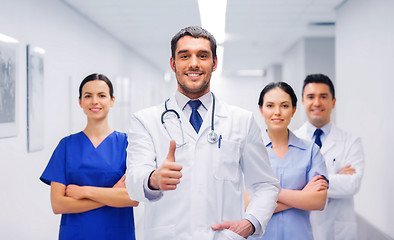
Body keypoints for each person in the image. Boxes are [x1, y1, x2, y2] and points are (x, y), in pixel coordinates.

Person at [125, 26, 280, 240]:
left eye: (203, 56)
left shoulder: (241, 121)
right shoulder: (145, 120)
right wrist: (153, 179)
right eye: (185, 56)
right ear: (173, 63)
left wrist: (250, 223)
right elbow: (133, 183)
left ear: (214, 63)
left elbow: (265, 184)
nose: (194, 63)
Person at [40, 73, 139, 240]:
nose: (95, 101)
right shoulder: (66, 146)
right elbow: (58, 204)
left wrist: (84, 191)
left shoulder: (127, 144)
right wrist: (111, 195)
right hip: (76, 234)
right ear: (80, 102)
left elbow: (132, 198)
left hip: (116, 234)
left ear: (112, 100)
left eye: (101, 95)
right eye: (88, 96)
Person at [247, 82, 328, 240]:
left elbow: (319, 201)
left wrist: (264, 194)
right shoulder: (249, 151)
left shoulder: (311, 151)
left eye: (284, 106)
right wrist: (302, 195)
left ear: (294, 110)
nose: (277, 112)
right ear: (261, 109)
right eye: (270, 105)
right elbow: (248, 205)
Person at [294, 74, 364, 240]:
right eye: (311, 97)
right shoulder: (292, 140)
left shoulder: (351, 142)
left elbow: (352, 184)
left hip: (337, 230)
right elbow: (285, 185)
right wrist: (335, 179)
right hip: (301, 227)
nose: (317, 102)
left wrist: (306, 183)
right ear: (303, 102)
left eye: (323, 96)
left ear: (333, 102)